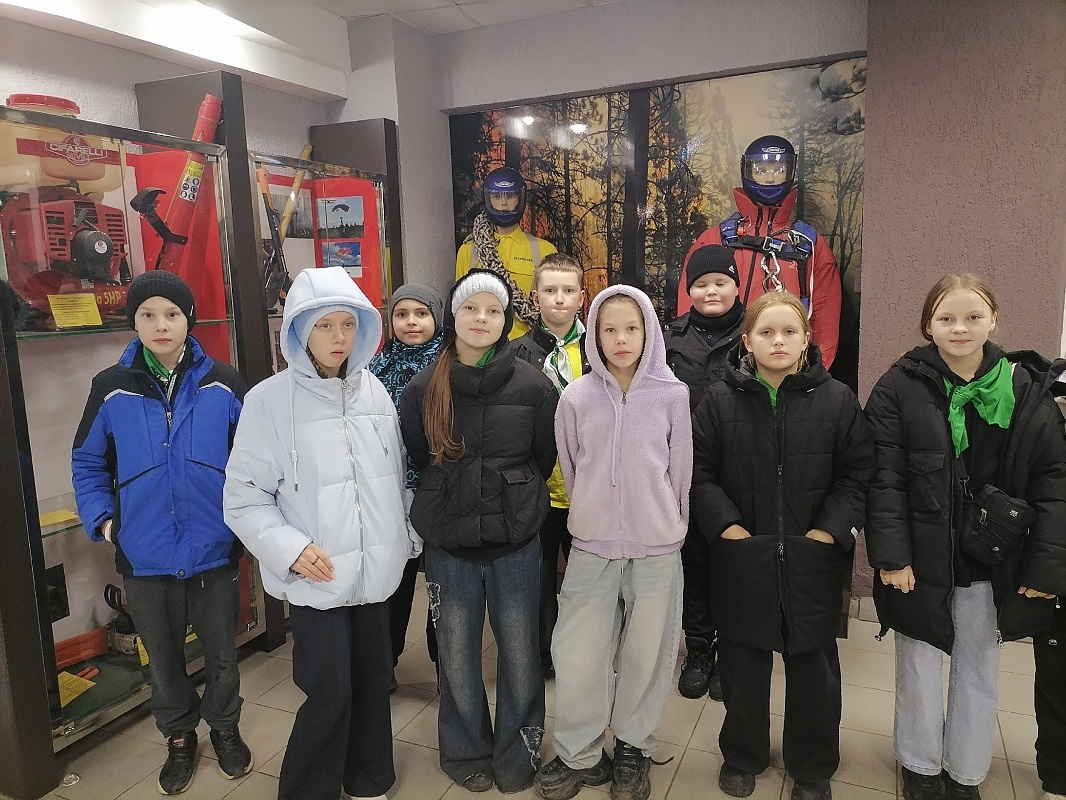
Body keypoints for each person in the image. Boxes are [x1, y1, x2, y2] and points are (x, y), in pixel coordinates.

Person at [864, 274, 1066, 800]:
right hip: (920, 556)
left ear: (993, 320)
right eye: (946, 318)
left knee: (979, 666)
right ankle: (920, 765)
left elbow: (1053, 482)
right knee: (919, 663)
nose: (960, 328)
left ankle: (966, 770)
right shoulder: (898, 386)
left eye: (973, 317)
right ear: (928, 325)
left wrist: (1045, 569)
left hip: (993, 558)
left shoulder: (1024, 389)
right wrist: (891, 556)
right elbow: (883, 478)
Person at [223, 266, 419, 800]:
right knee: (329, 689)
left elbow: (397, 475)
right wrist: (290, 549)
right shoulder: (268, 401)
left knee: (374, 678)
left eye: (348, 324)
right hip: (318, 573)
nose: (338, 337)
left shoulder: (375, 392)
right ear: (299, 331)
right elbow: (244, 498)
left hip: (377, 572)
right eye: (325, 325)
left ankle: (369, 780)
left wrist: (406, 537)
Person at [71, 270, 252, 796]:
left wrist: (245, 518)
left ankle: (224, 728)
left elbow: (255, 458)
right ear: (135, 322)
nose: (161, 325)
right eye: (147, 315)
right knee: (163, 658)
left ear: (189, 320)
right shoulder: (110, 388)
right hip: (145, 554)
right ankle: (178, 737)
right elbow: (86, 461)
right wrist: (106, 521)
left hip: (214, 547)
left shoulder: (223, 382)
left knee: (222, 653)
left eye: (171, 314)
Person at [691, 291, 875, 800]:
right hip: (742, 556)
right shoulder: (719, 400)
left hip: (812, 557)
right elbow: (698, 473)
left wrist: (828, 532)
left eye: (789, 331)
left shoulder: (837, 400)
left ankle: (812, 766)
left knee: (814, 670)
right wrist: (726, 528)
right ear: (747, 341)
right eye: (766, 332)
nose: (778, 341)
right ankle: (742, 754)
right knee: (743, 666)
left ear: (806, 338)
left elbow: (858, 475)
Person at [400, 269, 559, 794]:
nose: (481, 318)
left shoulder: (534, 386)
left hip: (516, 538)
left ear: (506, 319)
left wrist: (511, 493)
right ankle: (466, 749)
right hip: (449, 540)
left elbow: (542, 456)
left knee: (520, 652)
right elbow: (420, 455)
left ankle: (518, 752)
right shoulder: (424, 387)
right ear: (454, 315)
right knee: (456, 654)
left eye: (493, 310)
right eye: (470, 308)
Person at [535, 284, 691, 800]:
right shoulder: (576, 398)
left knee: (648, 652)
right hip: (592, 545)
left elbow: (681, 472)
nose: (621, 339)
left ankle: (632, 746)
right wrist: (593, 515)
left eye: (632, 328)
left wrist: (667, 525)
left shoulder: (672, 395)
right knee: (578, 651)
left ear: (649, 331)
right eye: (609, 329)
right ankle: (579, 752)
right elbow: (571, 465)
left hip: (656, 547)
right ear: (595, 335)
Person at [675, 135, 842, 369]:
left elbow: (825, 319)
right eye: (761, 170)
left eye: (778, 170)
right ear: (748, 171)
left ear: (790, 172)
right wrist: (699, 366)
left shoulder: (809, 245)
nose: (770, 178)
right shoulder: (715, 240)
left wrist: (812, 375)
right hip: (721, 371)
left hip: (787, 372)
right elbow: (690, 310)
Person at [663, 243, 745, 703]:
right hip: (687, 471)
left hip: (742, 469)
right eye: (700, 284)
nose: (711, 291)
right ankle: (698, 649)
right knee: (694, 561)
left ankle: (732, 651)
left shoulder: (756, 331)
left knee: (735, 561)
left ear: (736, 285)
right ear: (688, 290)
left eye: (720, 282)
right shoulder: (669, 338)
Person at [512, 253, 588, 678]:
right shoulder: (517, 354)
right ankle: (542, 653)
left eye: (568, 290)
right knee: (539, 579)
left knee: (586, 577)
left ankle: (583, 649)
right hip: (540, 488)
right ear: (535, 296)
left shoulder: (598, 350)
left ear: (582, 297)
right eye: (550, 290)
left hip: (588, 488)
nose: (559, 299)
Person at [368, 282, 446, 689]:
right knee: (393, 583)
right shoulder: (374, 369)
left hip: (442, 491)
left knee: (442, 586)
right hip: (390, 492)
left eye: (421, 313)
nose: (411, 322)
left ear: (437, 317)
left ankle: (447, 667)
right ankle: (384, 664)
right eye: (402, 314)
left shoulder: (452, 365)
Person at [456, 166, 557, 340]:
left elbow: (554, 307)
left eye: (510, 196)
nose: (503, 203)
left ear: (520, 198)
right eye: (496, 196)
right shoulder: (469, 250)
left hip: (529, 348)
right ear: (488, 198)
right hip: (482, 346)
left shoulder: (544, 251)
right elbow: (460, 308)